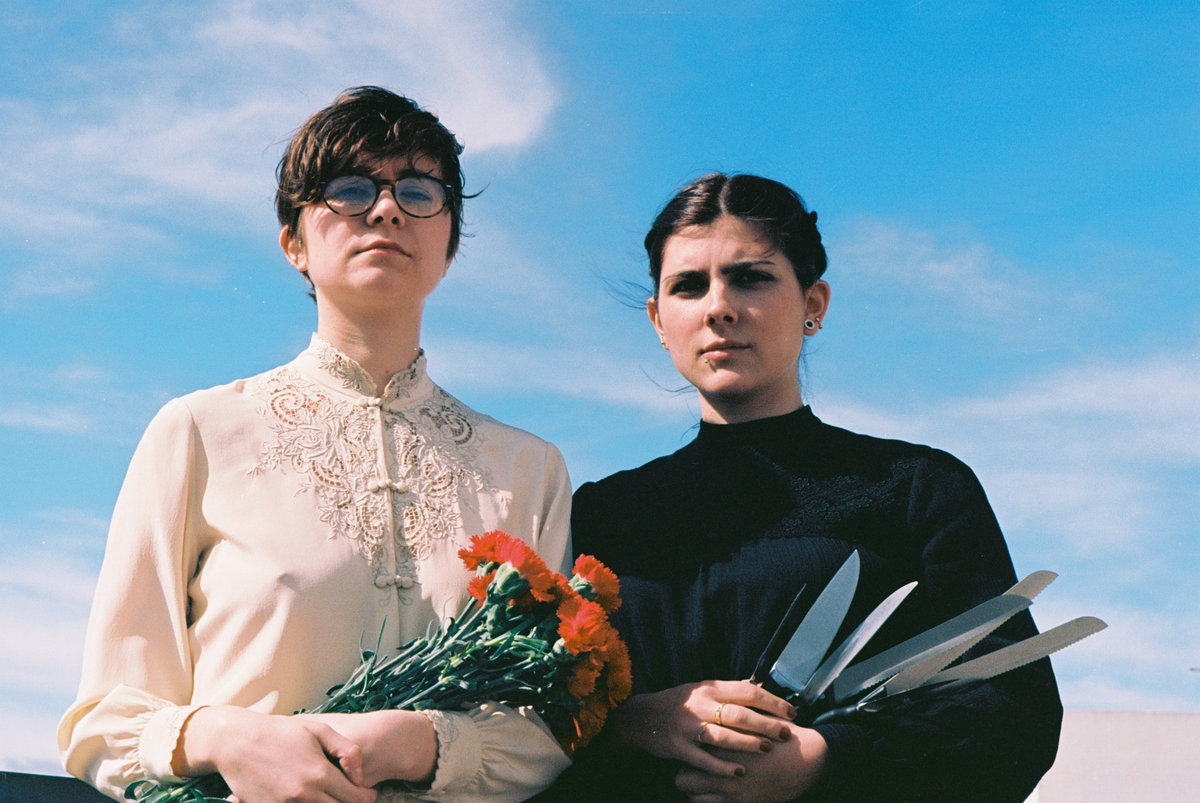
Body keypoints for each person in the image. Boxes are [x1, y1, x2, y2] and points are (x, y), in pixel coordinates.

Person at [59, 86, 573, 802]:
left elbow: (551, 726)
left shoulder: (529, 468)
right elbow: (105, 720)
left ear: (449, 245)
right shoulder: (198, 431)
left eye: (419, 191)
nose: (387, 209)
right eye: (350, 189)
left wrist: (431, 744)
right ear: (293, 243)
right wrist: (228, 737)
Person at [543, 173, 1061, 801]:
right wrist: (635, 723)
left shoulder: (915, 488)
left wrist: (826, 761)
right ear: (658, 318)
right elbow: (521, 722)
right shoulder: (601, 513)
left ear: (814, 303)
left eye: (750, 278)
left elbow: (1014, 709)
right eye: (688, 285)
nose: (718, 307)